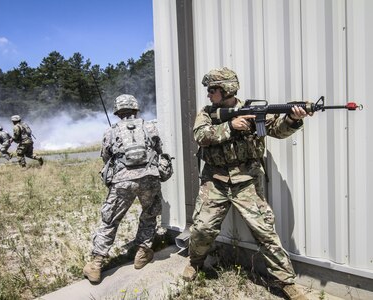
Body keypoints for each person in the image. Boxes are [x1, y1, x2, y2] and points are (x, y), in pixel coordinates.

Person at [182, 67, 310, 300]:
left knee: (265, 231)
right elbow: (200, 136)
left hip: (246, 181)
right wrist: (230, 127)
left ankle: (286, 282)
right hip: (216, 180)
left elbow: (277, 131)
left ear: (227, 89)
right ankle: (195, 263)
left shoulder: (255, 110)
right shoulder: (206, 112)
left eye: (213, 90)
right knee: (202, 228)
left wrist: (292, 118)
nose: (209, 94)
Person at [83, 94, 165, 284]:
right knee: (149, 214)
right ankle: (142, 253)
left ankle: (96, 265)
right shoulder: (150, 125)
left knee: (110, 220)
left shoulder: (110, 131)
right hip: (149, 177)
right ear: (136, 109)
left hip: (122, 182)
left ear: (118, 112)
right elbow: (159, 148)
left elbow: (106, 156)